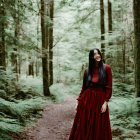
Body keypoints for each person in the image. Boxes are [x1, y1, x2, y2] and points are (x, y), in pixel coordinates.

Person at [69, 48, 112, 140]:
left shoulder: (106, 68)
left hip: (99, 100)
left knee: (99, 125)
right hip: (87, 100)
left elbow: (109, 87)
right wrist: (78, 101)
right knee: (84, 125)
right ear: (91, 57)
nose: (97, 55)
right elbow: (84, 88)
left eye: (98, 53)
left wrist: (106, 102)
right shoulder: (87, 71)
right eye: (94, 54)